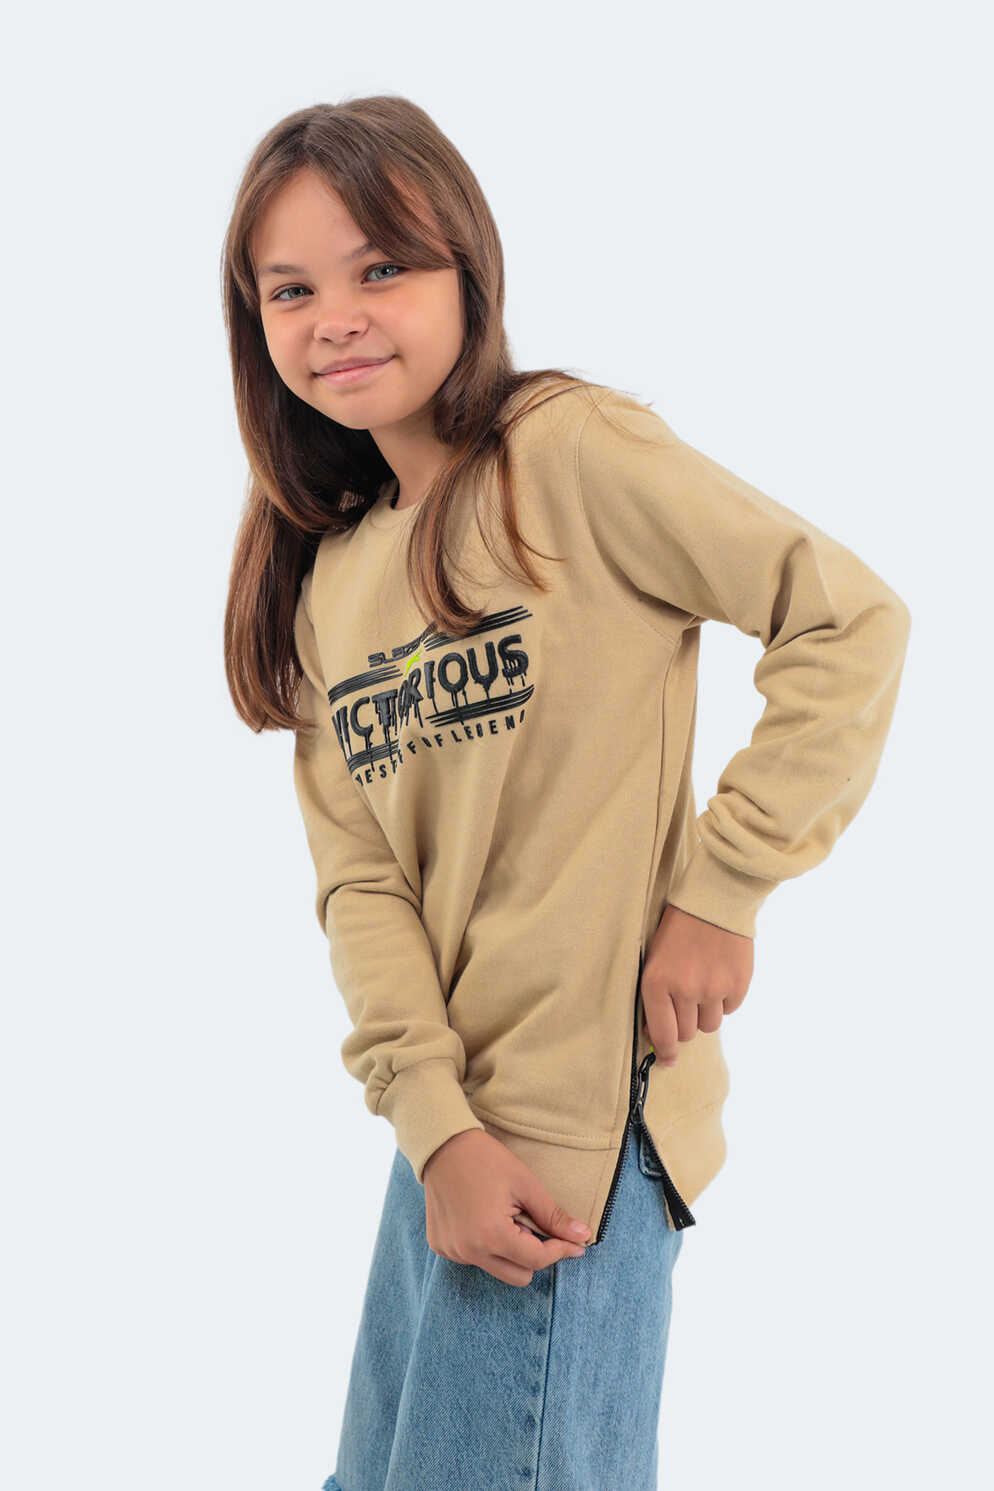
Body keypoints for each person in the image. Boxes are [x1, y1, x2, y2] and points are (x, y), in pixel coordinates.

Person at [221, 95, 911, 1491]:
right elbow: (361, 884)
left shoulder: (567, 452)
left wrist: (722, 890)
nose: (336, 317)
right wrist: (433, 1126)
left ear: (467, 270)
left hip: (576, 1146)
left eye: (380, 267)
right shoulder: (331, 577)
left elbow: (846, 619)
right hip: (447, 1148)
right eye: (289, 290)